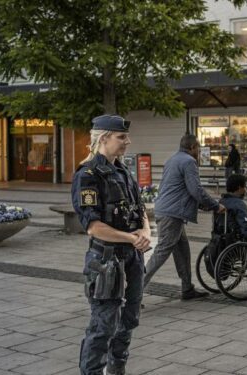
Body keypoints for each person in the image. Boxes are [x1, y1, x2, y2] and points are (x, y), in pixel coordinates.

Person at [73, 114, 151, 375]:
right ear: (104, 138)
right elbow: (94, 227)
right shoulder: (88, 175)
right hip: (106, 260)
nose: (127, 141)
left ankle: (116, 370)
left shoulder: (122, 171)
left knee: (129, 320)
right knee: (103, 325)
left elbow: (140, 211)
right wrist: (132, 238)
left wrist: (145, 232)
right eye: (121, 137)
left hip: (132, 258)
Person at [143, 134, 225, 300]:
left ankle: (187, 288)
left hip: (169, 211)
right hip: (171, 214)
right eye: (199, 148)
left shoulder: (172, 159)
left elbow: (183, 189)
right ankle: (132, 293)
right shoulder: (189, 161)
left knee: (183, 251)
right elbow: (196, 190)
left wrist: (204, 205)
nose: (199, 152)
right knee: (162, 251)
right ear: (193, 147)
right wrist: (215, 206)